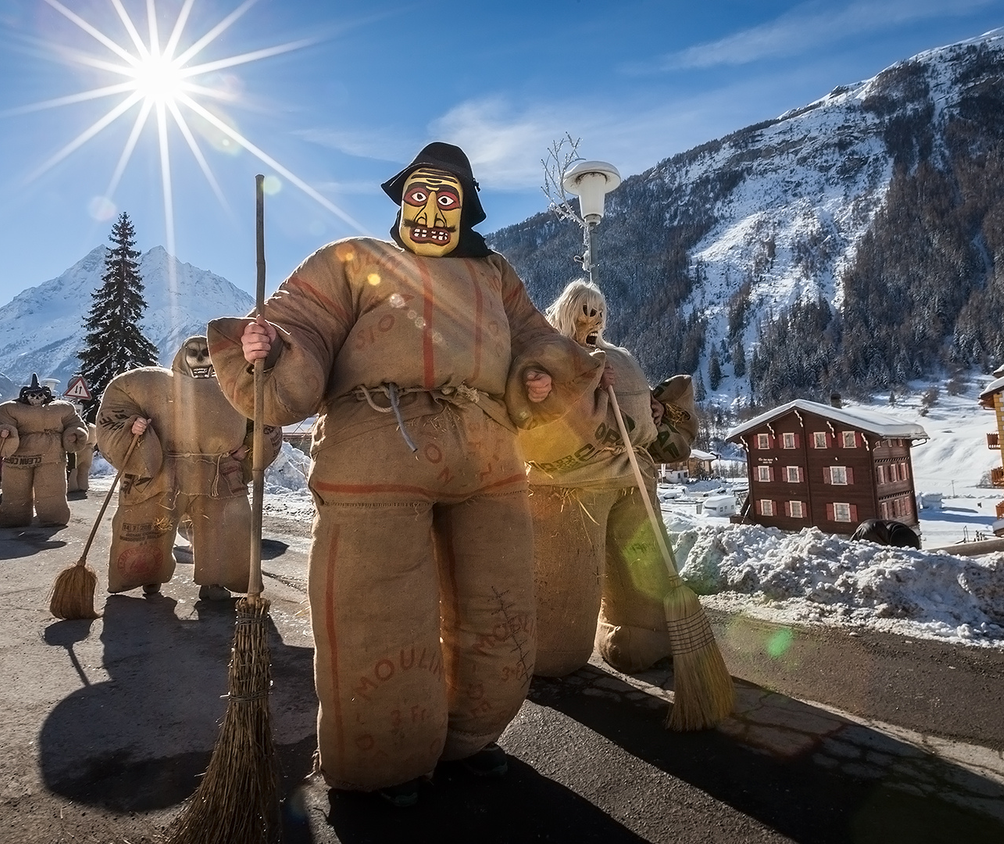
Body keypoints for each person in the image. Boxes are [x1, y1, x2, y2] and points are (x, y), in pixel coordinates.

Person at [208, 142, 602, 805]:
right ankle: (385, 757)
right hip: (376, 447)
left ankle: (470, 739)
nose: (429, 210)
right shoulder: (352, 260)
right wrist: (270, 345)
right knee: (379, 608)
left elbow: (537, 335)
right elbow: (298, 322)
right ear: (401, 201)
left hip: (487, 452)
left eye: (445, 199)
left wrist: (540, 369)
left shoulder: (495, 274)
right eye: (418, 195)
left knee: (501, 606)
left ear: (465, 209)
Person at [518, 279, 699, 677]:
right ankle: (551, 646)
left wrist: (652, 407)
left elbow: (639, 402)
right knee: (567, 578)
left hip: (632, 478)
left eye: (598, 311)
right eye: (585, 310)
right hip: (569, 486)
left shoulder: (618, 357)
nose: (593, 318)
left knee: (641, 565)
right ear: (568, 310)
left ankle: (641, 630)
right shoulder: (549, 352)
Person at [96, 335, 279, 600]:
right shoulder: (151, 384)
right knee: (150, 523)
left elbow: (264, 418)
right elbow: (118, 405)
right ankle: (147, 574)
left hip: (217, 472)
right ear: (182, 355)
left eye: (207, 352)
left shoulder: (236, 387)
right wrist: (132, 427)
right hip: (164, 471)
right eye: (194, 352)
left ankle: (216, 580)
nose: (202, 358)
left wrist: (249, 447)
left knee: (223, 527)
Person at [0, 375, 89, 527]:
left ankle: (53, 517)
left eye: (40, 395)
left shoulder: (62, 408)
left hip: (51, 456)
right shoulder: (8, 409)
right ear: (26, 395)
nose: (37, 399)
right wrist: (3, 432)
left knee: (52, 490)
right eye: (33, 395)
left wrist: (72, 434)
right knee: (16, 491)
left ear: (45, 395)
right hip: (19, 456)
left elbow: (75, 423)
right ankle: (14, 518)